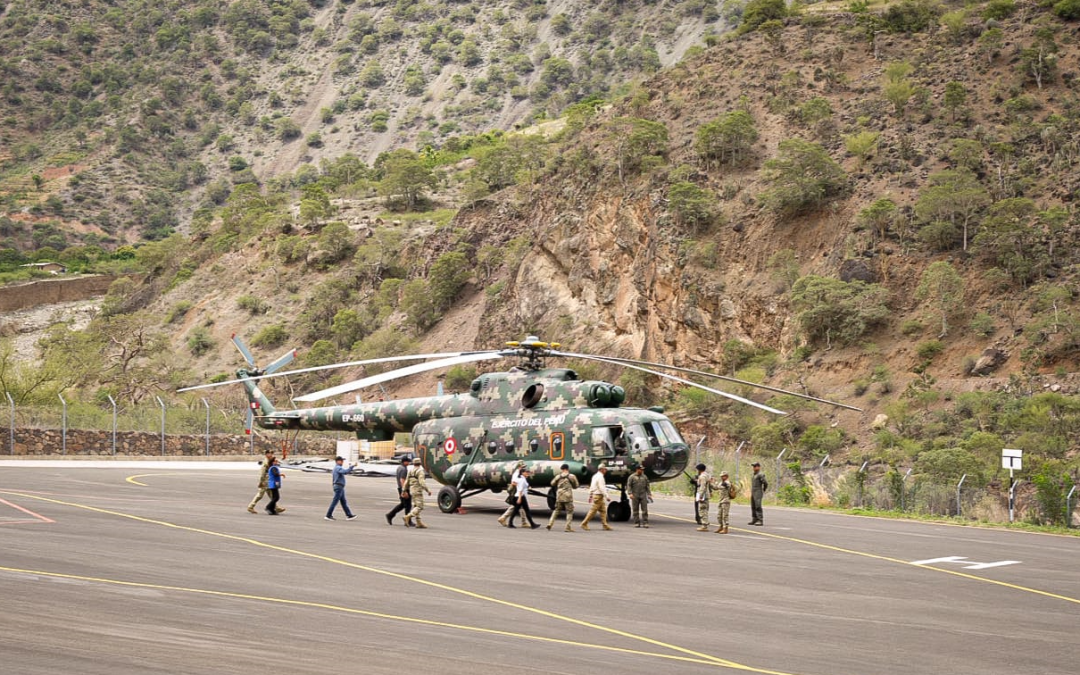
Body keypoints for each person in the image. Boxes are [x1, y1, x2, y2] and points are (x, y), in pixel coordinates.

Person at [547, 463, 579, 531]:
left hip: (559, 496)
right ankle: (568, 527)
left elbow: (552, 483)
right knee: (569, 512)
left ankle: (550, 523)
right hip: (568, 496)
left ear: (562, 469)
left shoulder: (558, 476)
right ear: (567, 469)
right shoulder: (571, 476)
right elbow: (576, 486)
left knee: (556, 510)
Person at [325, 456, 358, 521]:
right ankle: (328, 515)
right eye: (341, 460)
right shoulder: (338, 468)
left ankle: (349, 515)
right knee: (335, 502)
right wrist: (351, 467)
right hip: (339, 487)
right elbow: (345, 472)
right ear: (338, 461)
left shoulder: (336, 468)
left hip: (339, 487)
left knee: (343, 502)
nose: (342, 462)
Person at [581, 464, 613, 531]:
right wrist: (607, 496)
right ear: (601, 469)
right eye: (604, 469)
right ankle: (584, 523)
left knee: (603, 511)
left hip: (597, 495)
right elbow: (602, 488)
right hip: (598, 496)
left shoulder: (595, 476)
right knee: (593, 511)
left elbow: (592, 486)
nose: (605, 470)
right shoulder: (600, 477)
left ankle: (605, 525)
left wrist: (591, 493)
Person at [497, 460, 527, 527]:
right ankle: (503, 518)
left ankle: (523, 522)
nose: (524, 468)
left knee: (519, 506)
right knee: (516, 506)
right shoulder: (516, 474)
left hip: (518, 491)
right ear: (519, 467)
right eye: (522, 467)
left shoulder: (518, 473)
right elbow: (513, 482)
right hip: (517, 492)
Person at [404, 457, 432, 529]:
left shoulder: (410, 470)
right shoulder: (420, 471)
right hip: (418, 490)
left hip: (412, 490)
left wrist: (403, 490)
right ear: (420, 463)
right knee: (420, 507)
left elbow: (406, 481)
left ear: (413, 463)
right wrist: (427, 490)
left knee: (416, 506)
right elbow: (422, 482)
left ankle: (419, 523)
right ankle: (408, 516)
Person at [385, 456, 413, 526]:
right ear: (404, 462)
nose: (409, 463)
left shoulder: (399, 468)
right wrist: (404, 491)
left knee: (403, 505)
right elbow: (402, 480)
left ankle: (390, 515)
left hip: (400, 488)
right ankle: (408, 520)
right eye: (408, 461)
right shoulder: (404, 469)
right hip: (403, 488)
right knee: (408, 505)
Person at [694, 463, 720, 531]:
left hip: (703, 495)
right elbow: (710, 485)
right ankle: (705, 523)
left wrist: (700, 496)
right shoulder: (707, 475)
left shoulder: (702, 477)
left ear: (699, 470)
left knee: (702, 510)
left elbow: (702, 486)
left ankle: (704, 526)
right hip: (707, 494)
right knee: (705, 509)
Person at [749, 462, 768, 526]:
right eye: (753, 466)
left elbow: (765, 482)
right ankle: (754, 519)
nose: (754, 468)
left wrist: (764, 489)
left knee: (758, 505)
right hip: (753, 491)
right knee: (753, 505)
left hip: (758, 491)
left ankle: (760, 520)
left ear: (759, 467)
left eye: (755, 466)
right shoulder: (754, 474)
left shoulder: (760, 474)